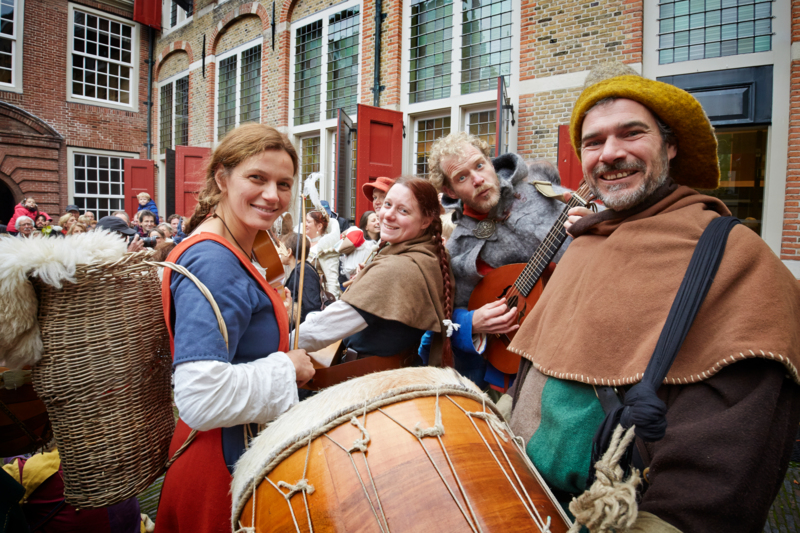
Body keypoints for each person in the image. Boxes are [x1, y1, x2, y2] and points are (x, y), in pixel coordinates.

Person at [506, 65, 800, 533]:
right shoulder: (583, 244)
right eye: (593, 141)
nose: (611, 154)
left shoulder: (738, 259)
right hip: (516, 497)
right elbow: (532, 377)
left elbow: (720, 474)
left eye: (631, 133)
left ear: (671, 145)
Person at [154, 123, 314, 533]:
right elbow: (201, 396)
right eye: (256, 178)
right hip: (219, 470)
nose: (272, 195)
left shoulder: (238, 240)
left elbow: (256, 305)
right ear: (222, 178)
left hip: (234, 455)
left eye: (284, 184)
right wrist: (288, 368)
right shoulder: (215, 261)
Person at [426, 131, 572, 390]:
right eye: (462, 177)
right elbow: (446, 315)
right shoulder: (458, 244)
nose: (478, 179)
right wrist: (473, 321)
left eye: (479, 165)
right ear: (449, 190)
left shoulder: (542, 196)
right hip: (517, 361)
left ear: (490, 162)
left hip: (574, 334)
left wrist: (592, 227)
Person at [295, 176, 454, 367]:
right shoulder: (424, 253)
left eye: (403, 210)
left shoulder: (398, 267)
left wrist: (276, 349)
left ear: (425, 221)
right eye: (388, 204)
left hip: (371, 380)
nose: (388, 215)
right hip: (399, 369)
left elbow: (320, 331)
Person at [282, 232, 323, 326]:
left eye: (281, 249)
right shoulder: (302, 269)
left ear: (289, 252)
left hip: (302, 331)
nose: (279, 252)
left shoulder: (303, 271)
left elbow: (312, 306)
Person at [306, 210, 342, 299]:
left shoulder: (326, 248)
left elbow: (332, 280)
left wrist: (331, 306)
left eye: (308, 222)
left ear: (319, 226)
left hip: (317, 297)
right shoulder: (303, 243)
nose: (305, 224)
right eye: (305, 221)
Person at [339, 210, 380, 286]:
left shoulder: (383, 243)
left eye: (378, 219)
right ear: (366, 227)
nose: (378, 222)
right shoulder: (359, 245)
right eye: (373, 221)